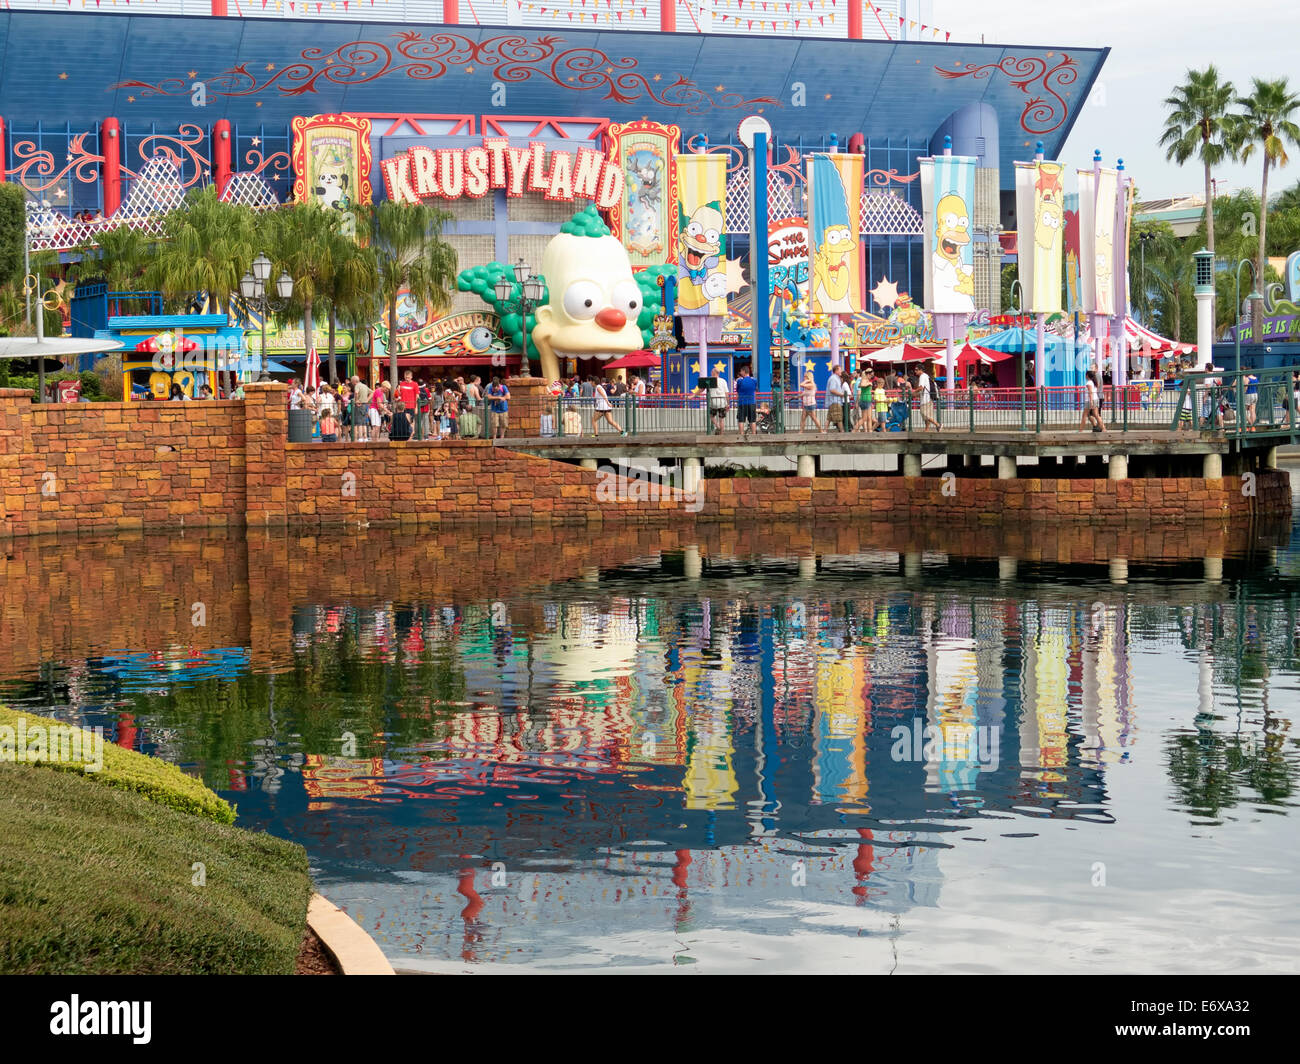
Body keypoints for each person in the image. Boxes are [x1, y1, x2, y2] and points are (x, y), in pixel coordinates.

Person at [912, 363, 940, 431]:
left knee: (924, 413)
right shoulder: (926, 376)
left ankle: (937, 424)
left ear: (921, 370)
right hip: (929, 397)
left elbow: (921, 387)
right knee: (927, 414)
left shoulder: (922, 376)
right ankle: (927, 429)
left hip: (925, 398)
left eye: (916, 370)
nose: (915, 371)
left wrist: (914, 392)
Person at [734, 364, 759, 438]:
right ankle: (754, 435)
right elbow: (755, 389)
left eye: (741, 371)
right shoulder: (754, 380)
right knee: (752, 420)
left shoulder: (739, 381)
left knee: (741, 419)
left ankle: (741, 434)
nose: (740, 373)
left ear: (744, 371)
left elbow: (737, 391)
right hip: (752, 402)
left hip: (742, 402)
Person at [826, 365, 846, 431]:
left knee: (829, 418)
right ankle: (842, 432)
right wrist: (841, 394)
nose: (841, 371)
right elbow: (832, 389)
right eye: (840, 370)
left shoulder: (836, 378)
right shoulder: (833, 379)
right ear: (836, 370)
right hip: (835, 401)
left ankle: (824, 431)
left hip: (834, 401)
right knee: (839, 417)